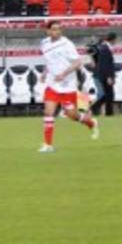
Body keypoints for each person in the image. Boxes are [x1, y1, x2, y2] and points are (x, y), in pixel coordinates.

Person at [38, 21, 100, 152]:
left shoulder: (67, 44)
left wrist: (63, 73)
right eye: (54, 29)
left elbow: (78, 62)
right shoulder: (44, 43)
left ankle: (91, 122)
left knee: (71, 114)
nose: (57, 31)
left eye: (59, 29)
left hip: (67, 85)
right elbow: (49, 61)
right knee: (48, 112)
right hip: (52, 83)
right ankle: (48, 145)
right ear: (48, 31)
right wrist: (44, 73)